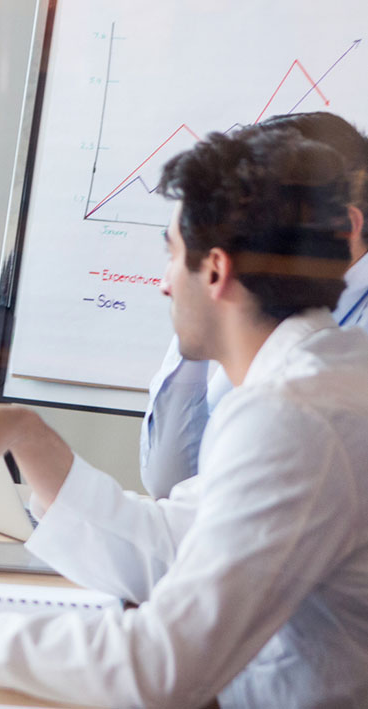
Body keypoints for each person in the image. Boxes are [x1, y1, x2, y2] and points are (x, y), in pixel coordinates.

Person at [0, 128, 368, 706]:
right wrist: (28, 438)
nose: (162, 283)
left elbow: (161, 668)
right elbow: (174, 547)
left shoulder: (291, 417)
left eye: (170, 255)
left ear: (214, 270)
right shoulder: (322, 380)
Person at [140, 111, 368, 497]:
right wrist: (199, 300)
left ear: (342, 227)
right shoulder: (254, 308)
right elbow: (171, 482)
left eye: (256, 211)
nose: (236, 229)